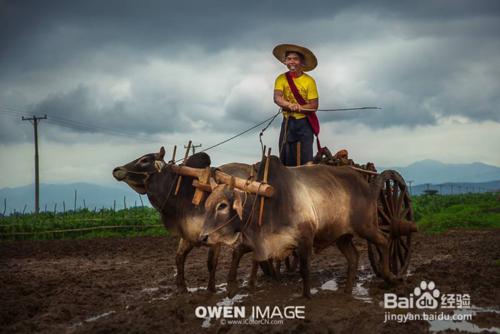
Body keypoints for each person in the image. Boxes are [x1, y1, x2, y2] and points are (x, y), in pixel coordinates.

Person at [273, 43, 320, 166]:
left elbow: (314, 105)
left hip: (304, 123)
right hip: (288, 122)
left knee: (307, 160)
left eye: (295, 59)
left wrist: (300, 108)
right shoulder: (281, 79)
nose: (291, 62)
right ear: (285, 62)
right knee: (284, 157)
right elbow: (277, 98)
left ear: (301, 62)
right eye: (289, 59)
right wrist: (289, 105)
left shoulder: (309, 81)